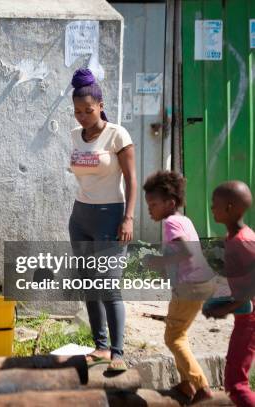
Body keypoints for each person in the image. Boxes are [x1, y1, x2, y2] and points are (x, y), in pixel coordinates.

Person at [67, 68, 137, 372]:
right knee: (88, 284)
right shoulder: (73, 135)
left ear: (101, 105)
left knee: (108, 285)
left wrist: (128, 218)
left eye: (88, 110)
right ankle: (101, 347)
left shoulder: (117, 134)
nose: (83, 116)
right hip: (80, 217)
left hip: (111, 217)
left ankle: (118, 353)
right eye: (78, 111)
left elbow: (132, 180)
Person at [142, 171, 215, 403]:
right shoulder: (184, 220)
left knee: (173, 338)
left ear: (170, 203)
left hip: (190, 286)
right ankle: (186, 386)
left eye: (153, 204)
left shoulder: (172, 222)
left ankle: (202, 387)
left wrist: (158, 262)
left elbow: (186, 251)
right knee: (179, 334)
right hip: (202, 282)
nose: (149, 209)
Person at [203, 181, 255, 407]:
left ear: (231, 207)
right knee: (235, 375)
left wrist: (224, 308)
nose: (212, 209)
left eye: (215, 205)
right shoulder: (236, 238)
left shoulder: (242, 242)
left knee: (236, 385)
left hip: (250, 320)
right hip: (246, 317)